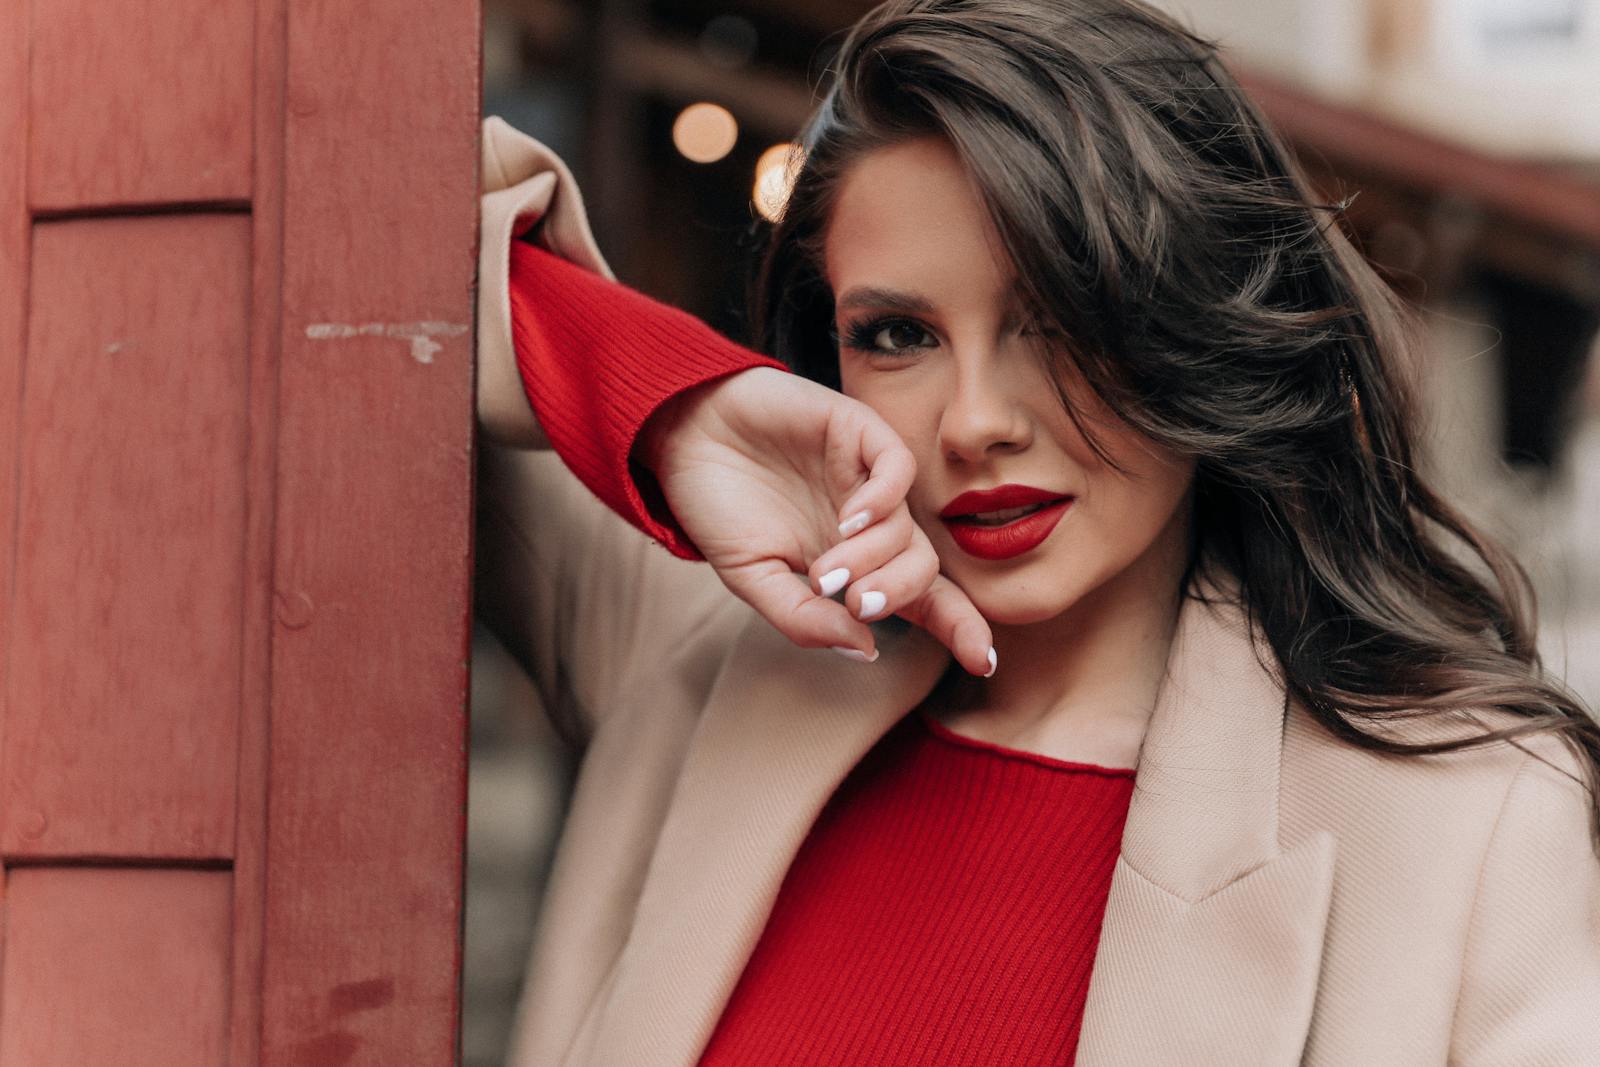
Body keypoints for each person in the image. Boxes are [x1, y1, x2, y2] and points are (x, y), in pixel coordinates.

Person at [472, 1, 1600, 1064]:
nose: (973, 422)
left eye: (1055, 321)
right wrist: (679, 405)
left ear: (1196, 327)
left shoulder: (1467, 822)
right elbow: (370, 217)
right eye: (899, 333)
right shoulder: (698, 653)